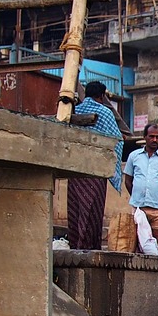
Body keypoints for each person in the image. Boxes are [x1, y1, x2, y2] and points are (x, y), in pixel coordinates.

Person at [66, 81, 123, 250]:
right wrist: (114, 170)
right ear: (101, 96)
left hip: (75, 169)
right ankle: (89, 246)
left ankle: (76, 245)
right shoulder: (105, 112)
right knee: (92, 212)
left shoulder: (74, 110)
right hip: (96, 171)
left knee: (76, 210)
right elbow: (116, 141)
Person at [124, 122, 158, 247]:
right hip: (138, 207)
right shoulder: (134, 156)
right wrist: (137, 194)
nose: (154, 140)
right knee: (135, 242)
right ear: (145, 137)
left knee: (156, 244)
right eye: (151, 136)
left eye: (157, 137)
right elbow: (128, 180)